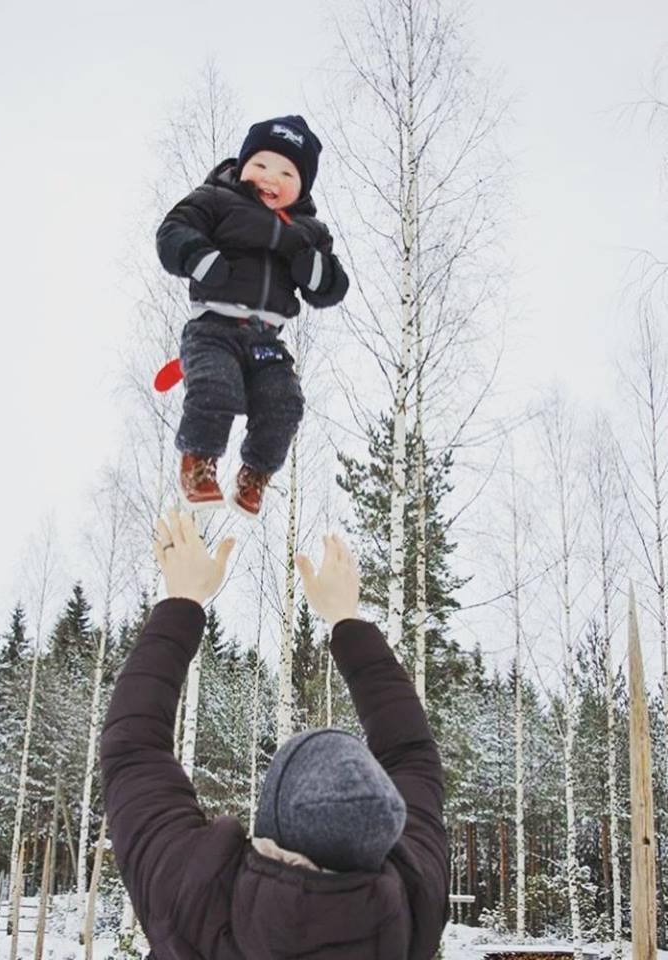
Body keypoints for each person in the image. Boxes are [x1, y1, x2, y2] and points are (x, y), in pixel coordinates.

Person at [100, 511, 449, 959]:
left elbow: (133, 749)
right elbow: (413, 753)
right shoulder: (413, 908)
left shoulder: (194, 897)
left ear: (271, 820)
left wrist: (183, 600)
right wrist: (347, 621)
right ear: (384, 823)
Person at [156, 115, 349, 517]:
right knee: (216, 388)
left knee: (285, 402)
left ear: (302, 185)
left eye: (286, 172)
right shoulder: (215, 198)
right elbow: (173, 230)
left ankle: (255, 476)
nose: (269, 178)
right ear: (243, 165)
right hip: (214, 330)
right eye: (260, 165)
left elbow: (333, 285)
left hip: (265, 340)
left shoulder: (309, 230)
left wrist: (315, 270)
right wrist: (196, 255)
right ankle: (198, 465)